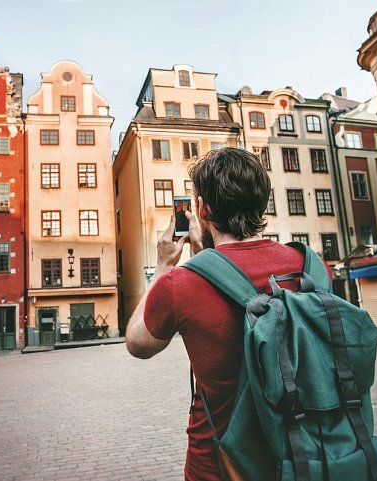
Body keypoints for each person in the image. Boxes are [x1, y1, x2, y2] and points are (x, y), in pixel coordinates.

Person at [126, 147, 308, 481]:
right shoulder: (309, 265)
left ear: (201, 208)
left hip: (221, 464)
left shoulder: (182, 282)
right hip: (303, 453)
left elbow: (137, 344)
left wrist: (165, 265)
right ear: (261, 201)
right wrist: (209, 258)